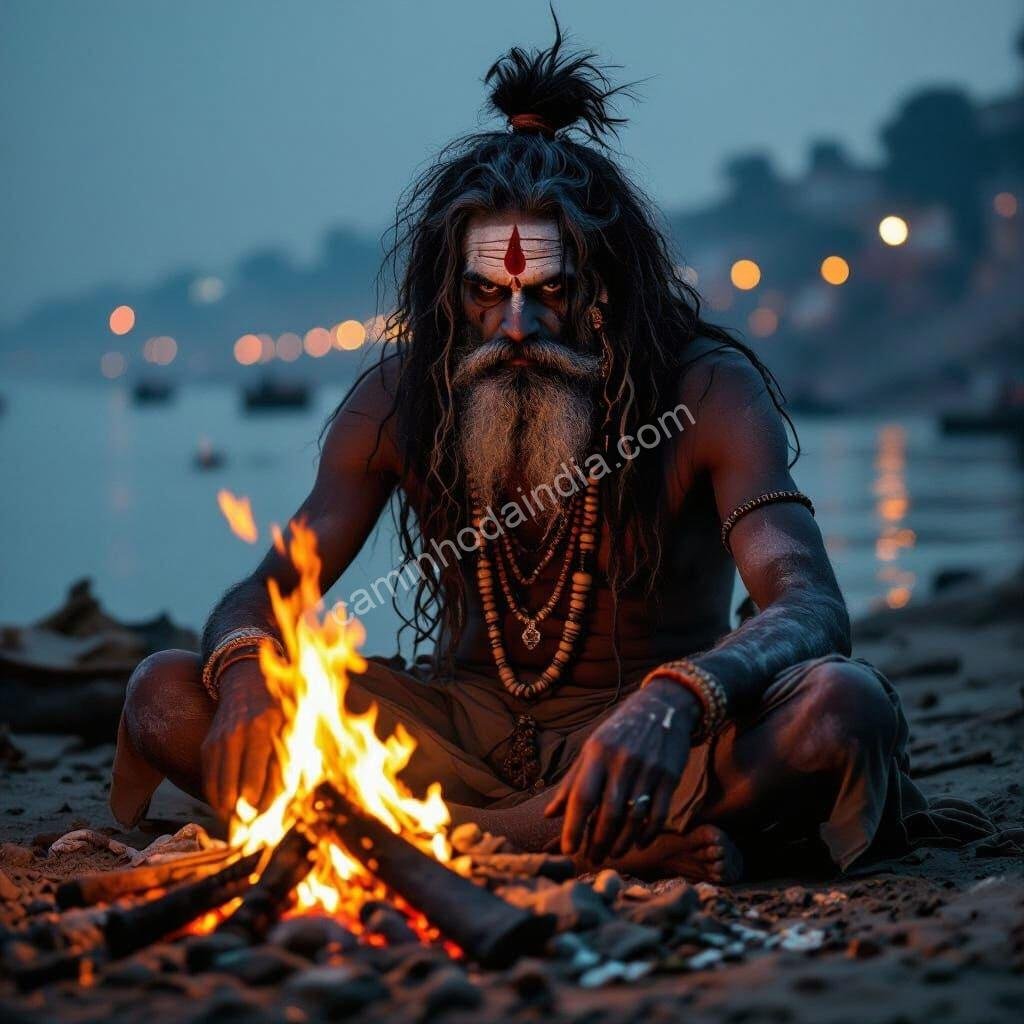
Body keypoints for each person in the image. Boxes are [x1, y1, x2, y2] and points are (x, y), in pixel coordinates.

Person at [110, 23, 992, 880]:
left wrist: (682, 694)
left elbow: (808, 605)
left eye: (550, 291)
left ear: (603, 286)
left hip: (645, 742)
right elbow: (261, 593)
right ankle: (563, 841)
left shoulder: (705, 391)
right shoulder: (397, 399)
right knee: (166, 692)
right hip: (451, 735)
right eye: (486, 295)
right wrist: (244, 672)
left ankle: (432, 837)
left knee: (843, 708)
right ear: (450, 294)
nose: (517, 325)